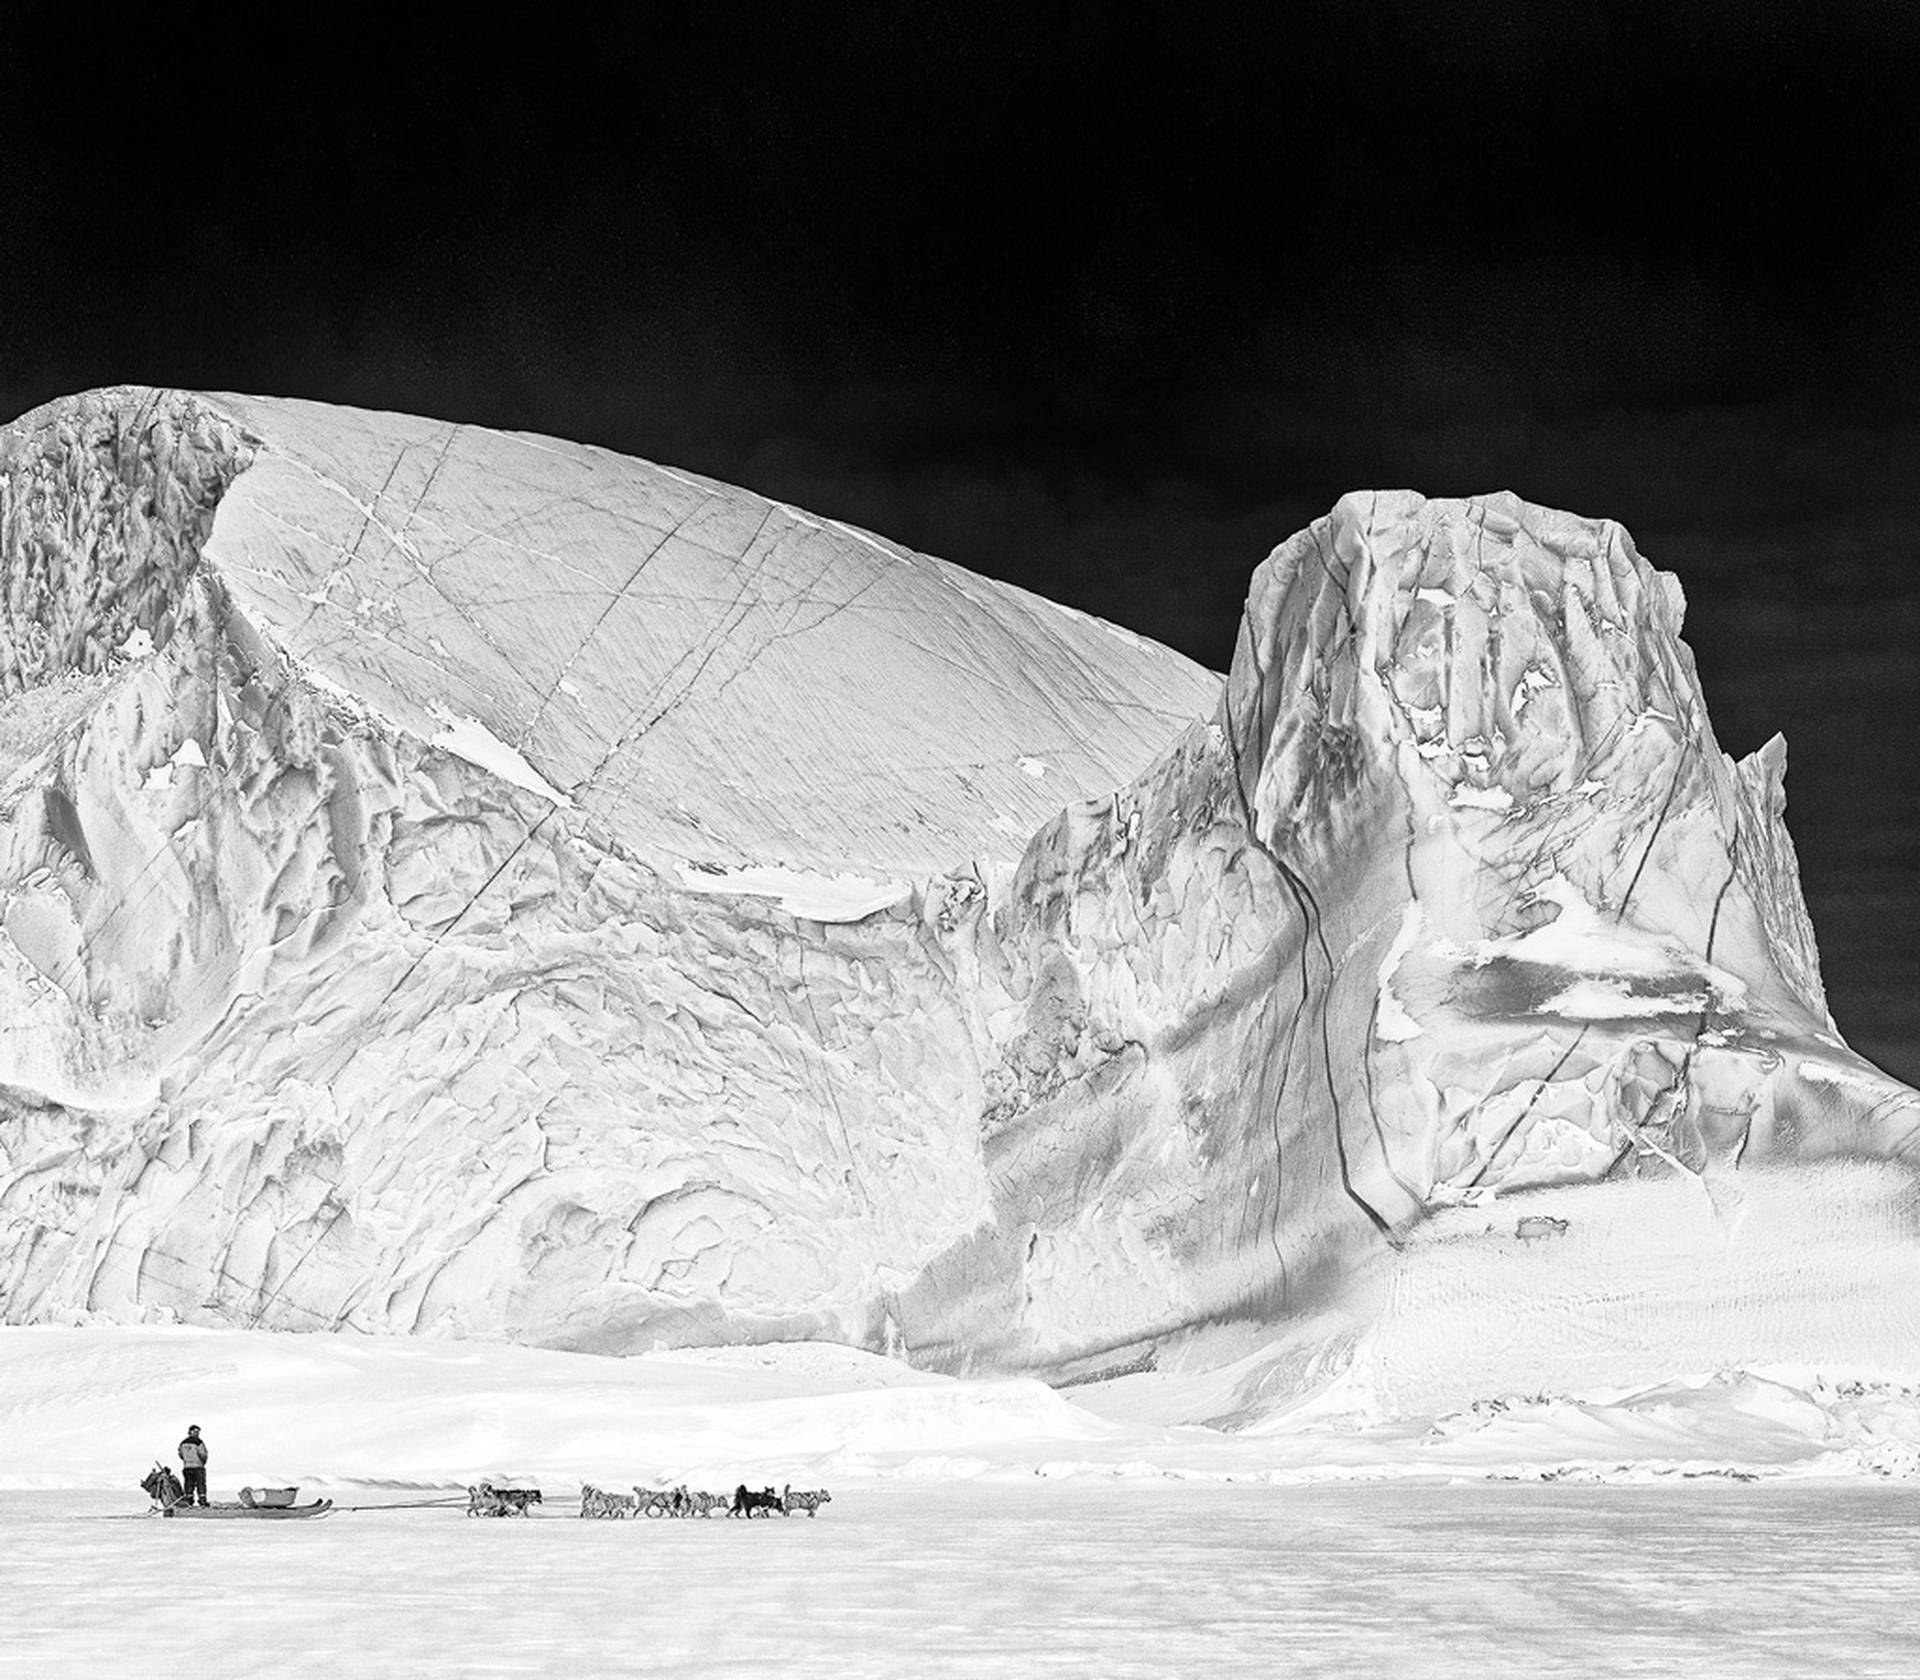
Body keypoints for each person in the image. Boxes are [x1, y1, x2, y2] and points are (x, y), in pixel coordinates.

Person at [178, 1425, 210, 1507]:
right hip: (198, 1466)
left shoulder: (183, 1443)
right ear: (190, 1432)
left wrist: (187, 1460)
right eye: (196, 1432)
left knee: (189, 1484)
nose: (197, 1434)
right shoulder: (199, 1442)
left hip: (187, 1467)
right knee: (201, 1484)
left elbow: (180, 1454)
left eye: (198, 1432)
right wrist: (203, 1462)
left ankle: (189, 1501)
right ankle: (202, 1501)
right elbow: (203, 1454)